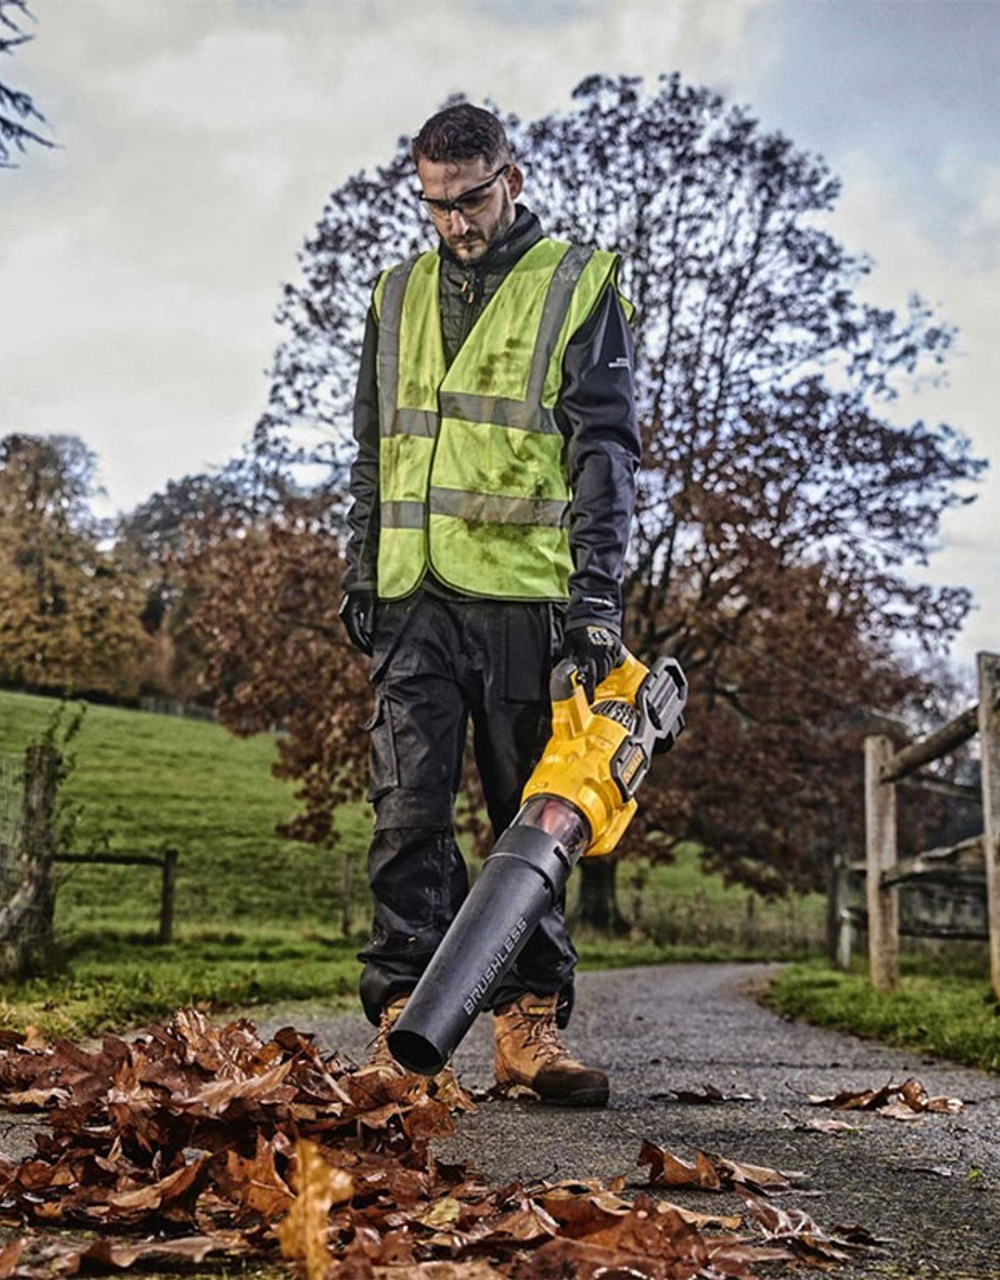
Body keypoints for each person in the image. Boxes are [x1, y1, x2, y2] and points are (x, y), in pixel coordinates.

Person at [340, 103, 639, 1107]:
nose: (453, 223)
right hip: (410, 594)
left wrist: (596, 599)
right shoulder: (393, 293)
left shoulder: (572, 284)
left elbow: (602, 451)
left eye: (468, 200)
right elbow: (371, 451)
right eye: (433, 205)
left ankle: (527, 1028)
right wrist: (357, 563)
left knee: (534, 821)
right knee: (404, 812)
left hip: (526, 598)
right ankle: (399, 1035)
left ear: (511, 177)